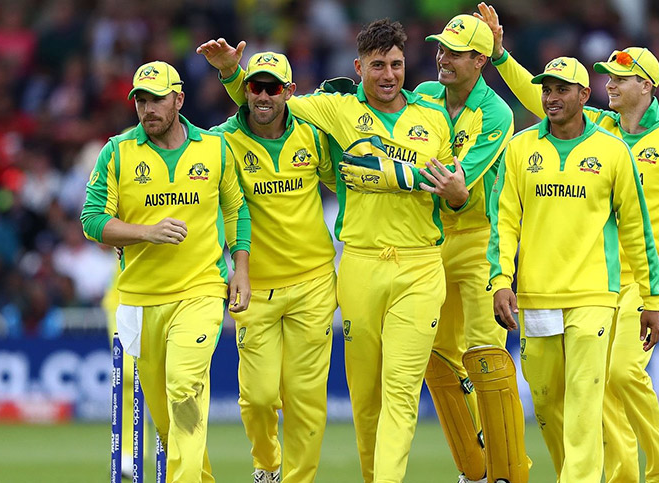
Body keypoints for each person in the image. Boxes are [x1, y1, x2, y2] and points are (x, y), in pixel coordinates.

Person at [198, 20, 461, 483]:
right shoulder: (333, 110)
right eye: (377, 65)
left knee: (389, 392)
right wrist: (229, 73)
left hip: (387, 269)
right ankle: (272, 466)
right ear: (358, 67)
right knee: (330, 398)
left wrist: (451, 192)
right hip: (326, 272)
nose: (388, 74)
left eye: (396, 64)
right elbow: (264, 105)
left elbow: (452, 192)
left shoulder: (431, 118)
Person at [477, 4, 659, 482]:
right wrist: (501, 56)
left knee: (620, 372)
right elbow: (540, 98)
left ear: (647, 86)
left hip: (651, 272)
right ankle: (621, 474)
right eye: (607, 77)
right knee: (601, 382)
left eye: (621, 78)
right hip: (603, 274)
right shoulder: (602, 129)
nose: (610, 84)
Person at [336, 13, 529, 483]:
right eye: (441, 48)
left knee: (485, 355)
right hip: (430, 240)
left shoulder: (496, 113)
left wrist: (381, 172)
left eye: (455, 52)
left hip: (479, 238)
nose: (442, 58)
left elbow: (454, 182)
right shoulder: (422, 96)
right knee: (439, 362)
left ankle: (508, 469)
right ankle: (473, 467)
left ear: (479, 61)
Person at [488, 56, 659, 483]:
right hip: (536, 296)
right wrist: (500, 280)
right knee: (547, 403)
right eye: (547, 89)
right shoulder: (519, 149)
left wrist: (651, 299)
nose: (551, 97)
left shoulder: (613, 151)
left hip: (594, 296)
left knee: (585, 401)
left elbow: (636, 229)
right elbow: (504, 221)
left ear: (584, 95)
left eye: (562, 89)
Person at [80, 60, 251, 483]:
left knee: (184, 387)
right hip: (139, 299)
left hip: (200, 291)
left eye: (157, 99)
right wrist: (146, 232)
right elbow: (91, 220)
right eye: (140, 100)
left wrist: (241, 268)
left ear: (179, 99)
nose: (147, 108)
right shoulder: (117, 152)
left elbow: (236, 209)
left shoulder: (214, 148)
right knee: (167, 420)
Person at [208, 52, 337, 483]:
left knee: (305, 398)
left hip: (313, 282)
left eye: (273, 88)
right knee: (260, 397)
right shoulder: (223, 141)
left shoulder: (313, 134)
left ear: (289, 92)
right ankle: (267, 465)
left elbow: (344, 183)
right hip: (254, 288)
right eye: (256, 87)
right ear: (245, 90)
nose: (263, 96)